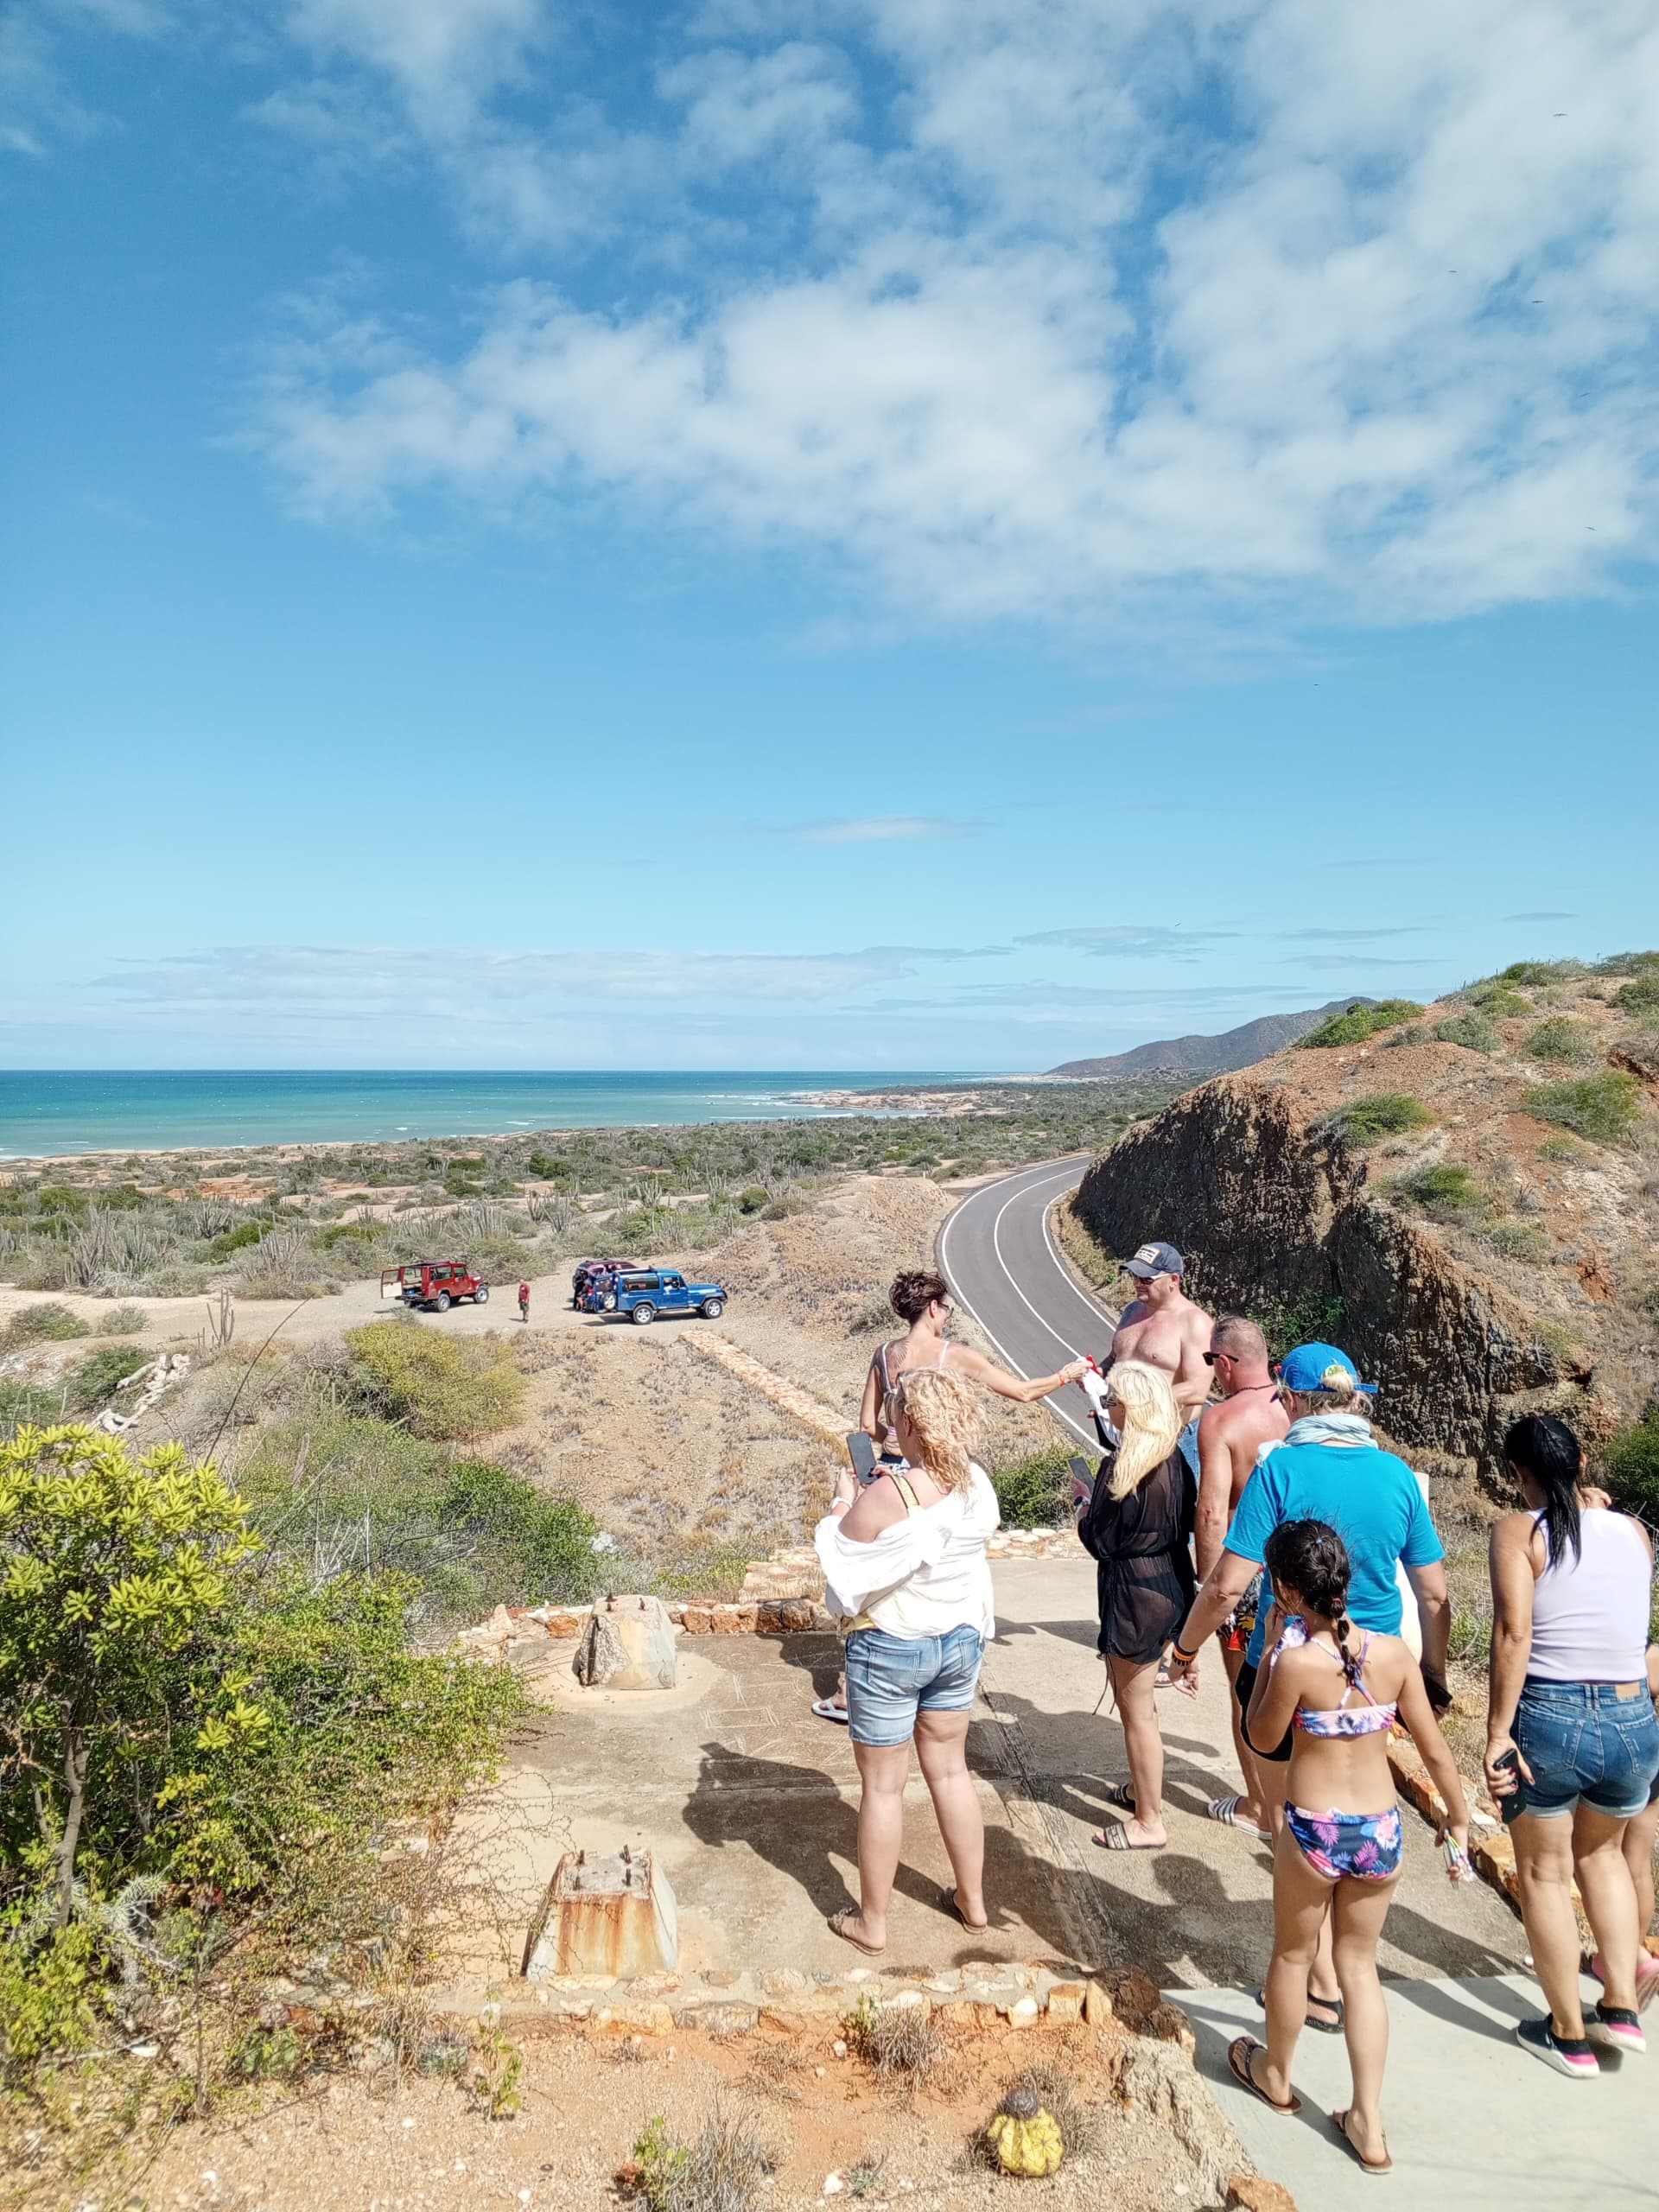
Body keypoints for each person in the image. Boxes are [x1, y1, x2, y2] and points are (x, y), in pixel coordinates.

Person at [1166, 1342, 1450, 2033]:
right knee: (1353, 1800)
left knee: (1297, 1816)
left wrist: (1185, 1646)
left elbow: (1230, 1583)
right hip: (1376, 1666)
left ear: (1290, 1402)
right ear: (1353, 1401)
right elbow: (1435, 1591)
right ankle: (1342, 1970)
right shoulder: (1397, 1476)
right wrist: (1432, 1674)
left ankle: (1312, 1976)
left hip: (1296, 1664)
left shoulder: (1281, 1468)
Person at [1226, 1519, 1470, 2176]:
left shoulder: (1298, 1663)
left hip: (1314, 1830)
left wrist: (1272, 1653)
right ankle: (1368, 2120)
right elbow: (1434, 1748)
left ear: (1283, 1587)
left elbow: (1261, 1738)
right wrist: (1460, 1819)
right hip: (1380, 1833)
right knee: (1361, 1970)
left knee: (1293, 1955)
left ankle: (1277, 2075)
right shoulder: (1391, 1654)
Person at [811, 1271, 1086, 1723]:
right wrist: (1064, 1375)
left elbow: (866, 1425)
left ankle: (852, 1690)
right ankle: (936, 1678)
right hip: (940, 1475)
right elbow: (1020, 1392)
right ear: (934, 1308)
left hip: (890, 1473)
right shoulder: (952, 1355)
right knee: (940, 1572)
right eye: (948, 1308)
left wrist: (896, 1442)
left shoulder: (883, 1356)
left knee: (878, 1585)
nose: (948, 1316)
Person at [1484, 1413, 1659, 2073]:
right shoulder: (1635, 1533)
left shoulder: (1517, 1531)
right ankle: (1621, 2005)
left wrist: (1499, 1731)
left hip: (1554, 1715)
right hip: (1633, 1716)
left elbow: (1513, 1634)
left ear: (1519, 1474)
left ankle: (1567, 2034)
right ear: (1583, 1463)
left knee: (1545, 1874)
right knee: (1605, 1860)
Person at [813, 1367, 1000, 1955]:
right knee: (950, 1771)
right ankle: (972, 1902)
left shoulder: (890, 1493)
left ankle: (873, 1922)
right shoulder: (976, 1481)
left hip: (892, 1644)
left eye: (896, 1415)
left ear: (913, 1424)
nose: (891, 1424)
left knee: (884, 1789)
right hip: (958, 1638)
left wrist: (845, 1497)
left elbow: (843, 1555)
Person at [1074, 1360, 1196, 1851]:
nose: (1107, 1410)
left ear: (1131, 1408)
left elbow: (1100, 1541)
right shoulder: (1175, 1460)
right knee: (1142, 1707)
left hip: (1131, 1595)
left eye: (1111, 1402)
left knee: (1136, 1712)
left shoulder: (1120, 1468)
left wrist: (1084, 1505)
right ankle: (1144, 1791)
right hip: (1171, 1582)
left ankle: (1149, 1820)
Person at [1193, 1317, 1291, 1840]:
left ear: (1226, 1363)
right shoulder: (1300, 1408)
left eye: (1212, 1362)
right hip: (1301, 1568)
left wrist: (1210, 1589)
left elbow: (1212, 1514)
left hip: (1248, 1571)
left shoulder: (1221, 1421)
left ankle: (1259, 1805)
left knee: (1245, 1691)